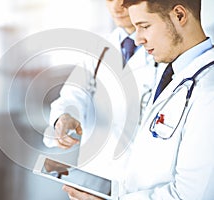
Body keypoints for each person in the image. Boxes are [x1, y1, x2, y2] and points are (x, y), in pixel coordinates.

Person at [63, 0, 214, 199]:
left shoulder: (207, 92)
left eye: (144, 27)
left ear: (179, 15)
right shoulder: (174, 73)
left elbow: (192, 195)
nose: (137, 39)